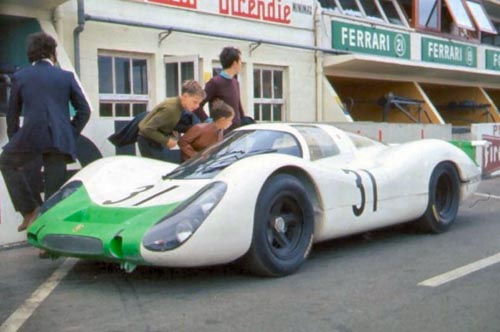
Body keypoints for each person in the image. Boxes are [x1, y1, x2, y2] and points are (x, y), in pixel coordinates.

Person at [0, 32, 91, 232]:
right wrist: (70, 133)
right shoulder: (65, 76)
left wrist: (16, 139)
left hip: (30, 136)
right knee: (54, 191)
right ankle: (47, 244)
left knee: (6, 162)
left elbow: (12, 114)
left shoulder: (20, 76)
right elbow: (85, 110)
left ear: (30, 55)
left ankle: (30, 210)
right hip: (59, 139)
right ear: (53, 53)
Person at [137, 80, 205, 162]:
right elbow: (146, 128)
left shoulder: (179, 107)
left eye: (199, 103)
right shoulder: (171, 109)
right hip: (149, 143)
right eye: (195, 102)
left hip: (156, 143)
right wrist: (167, 141)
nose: (197, 106)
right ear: (185, 96)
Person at [194, 46, 245, 132]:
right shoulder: (214, 83)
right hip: (221, 133)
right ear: (234, 63)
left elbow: (238, 107)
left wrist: (243, 122)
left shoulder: (235, 83)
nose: (241, 64)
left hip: (236, 133)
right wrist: (209, 122)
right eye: (240, 61)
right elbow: (197, 105)